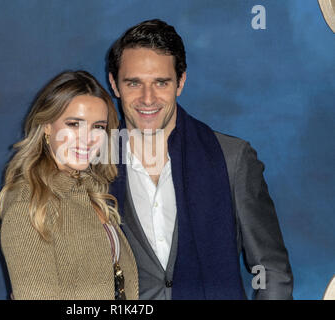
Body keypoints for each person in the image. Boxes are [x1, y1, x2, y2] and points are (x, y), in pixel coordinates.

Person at [107, 19, 293, 299]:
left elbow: (270, 270)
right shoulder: (91, 163)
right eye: (134, 83)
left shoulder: (233, 159)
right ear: (114, 84)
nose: (148, 98)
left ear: (180, 82)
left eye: (161, 82)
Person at [0, 70, 138, 300]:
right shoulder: (30, 200)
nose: (87, 139)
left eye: (98, 127)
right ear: (47, 125)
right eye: (74, 124)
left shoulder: (89, 192)